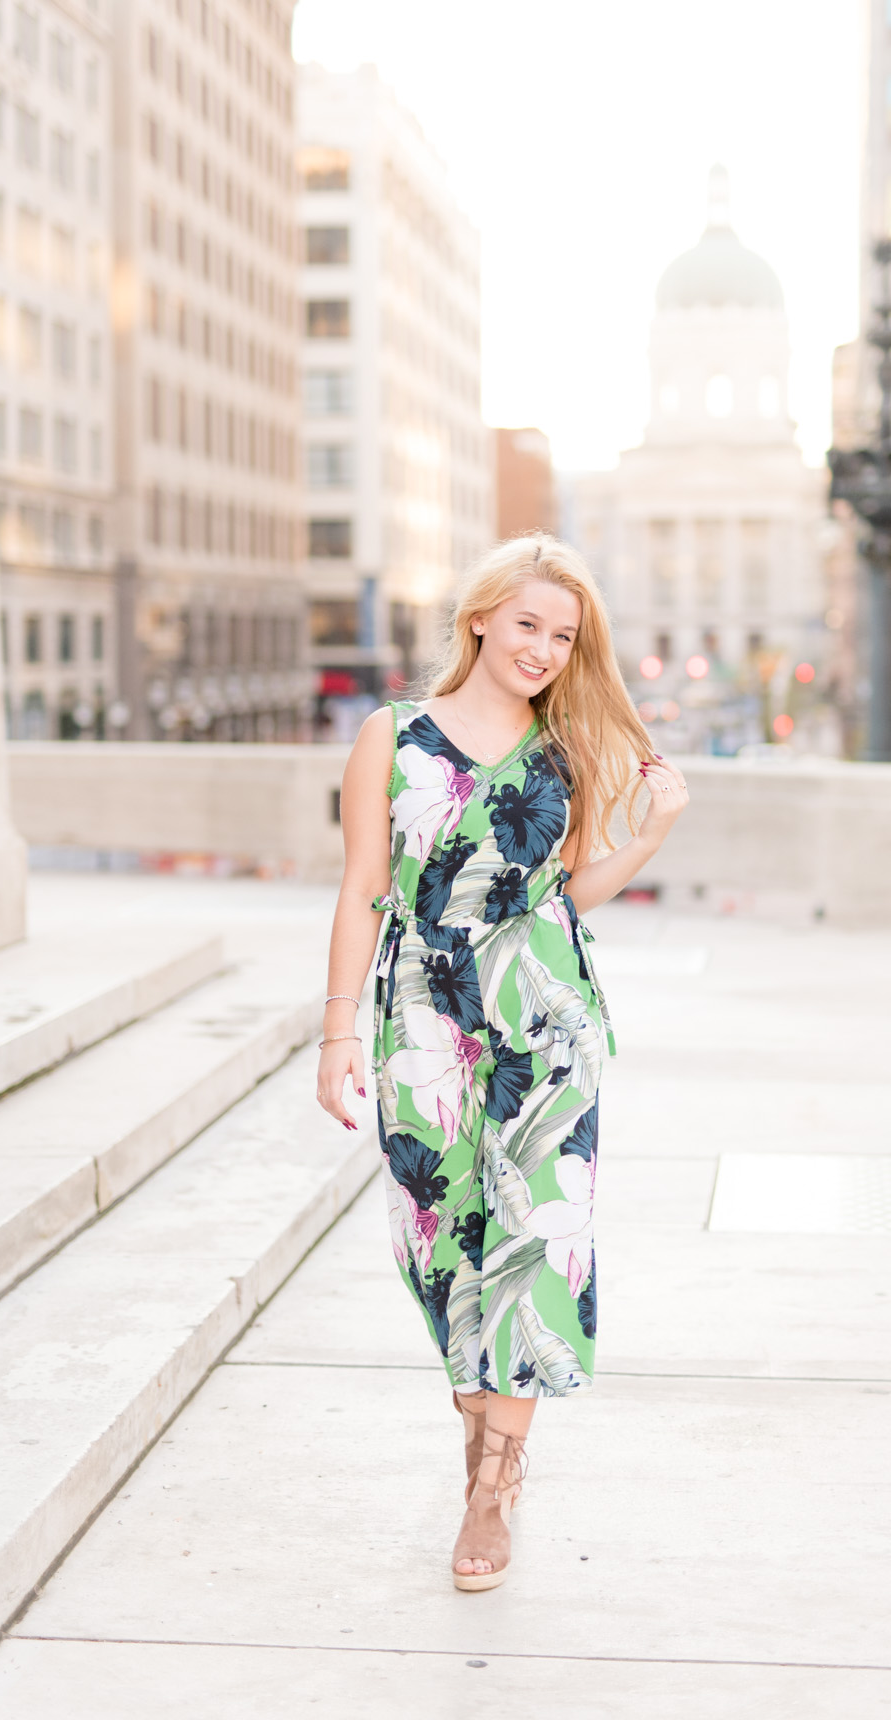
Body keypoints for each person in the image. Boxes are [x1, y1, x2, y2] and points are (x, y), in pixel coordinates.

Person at [316, 535, 689, 1591]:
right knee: (441, 1239)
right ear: (480, 616)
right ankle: (479, 1418)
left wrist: (651, 832)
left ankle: (493, 1477)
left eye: (562, 635)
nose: (542, 647)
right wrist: (338, 1030)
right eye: (527, 623)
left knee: (536, 1228)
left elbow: (562, 893)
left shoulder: (562, 750)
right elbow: (360, 890)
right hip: (421, 1011)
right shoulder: (391, 737)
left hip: (545, 1012)